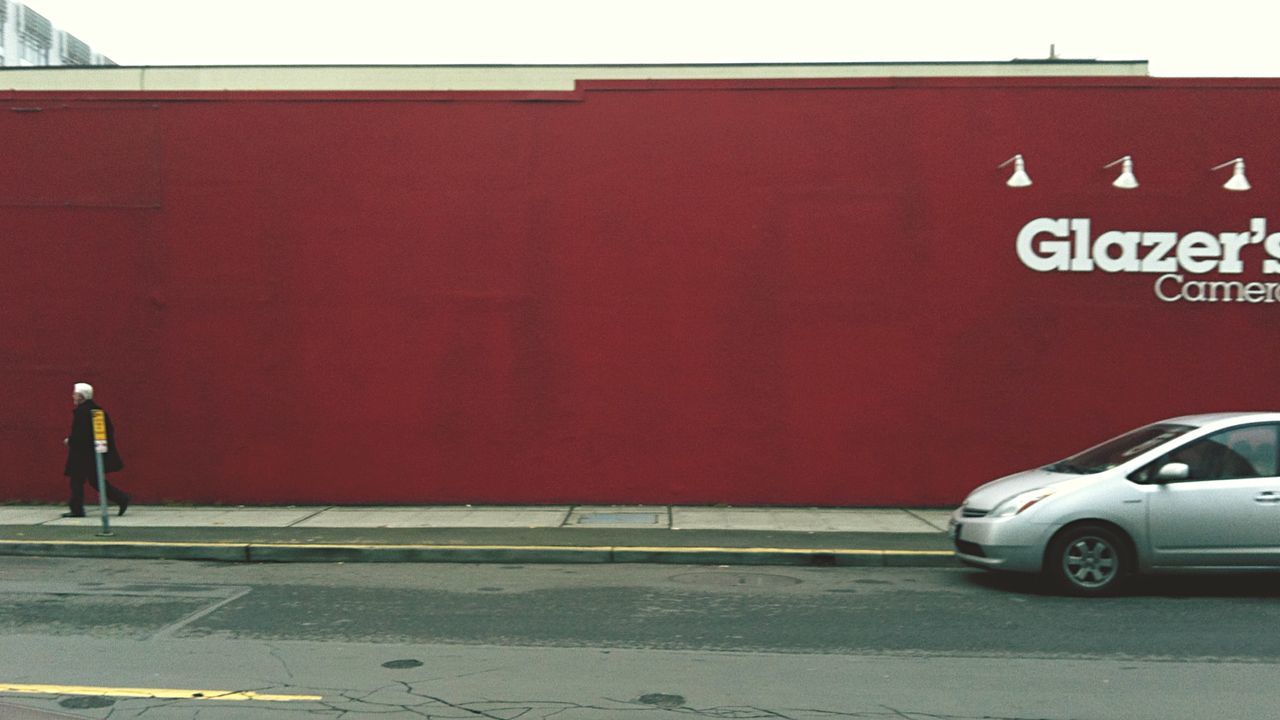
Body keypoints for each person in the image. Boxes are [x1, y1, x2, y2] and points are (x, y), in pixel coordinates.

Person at [63, 382, 130, 518]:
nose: (73, 396)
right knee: (95, 480)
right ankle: (121, 498)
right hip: (94, 454)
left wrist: (69, 441)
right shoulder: (97, 411)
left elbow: (81, 435)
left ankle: (77, 510)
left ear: (81, 396)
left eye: (75, 394)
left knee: (77, 481)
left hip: (82, 455)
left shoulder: (82, 413)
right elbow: (107, 431)